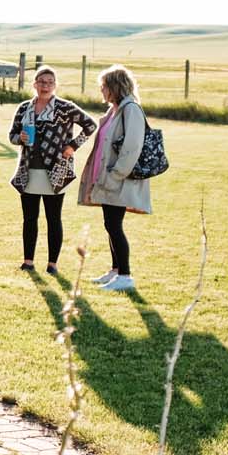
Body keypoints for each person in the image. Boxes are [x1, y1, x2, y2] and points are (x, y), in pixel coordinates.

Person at [7, 65, 96, 275]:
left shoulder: (65, 107)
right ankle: (28, 261)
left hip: (56, 170)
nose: (45, 86)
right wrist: (19, 138)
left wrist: (73, 146)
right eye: (41, 82)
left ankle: (52, 264)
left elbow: (90, 125)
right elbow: (12, 135)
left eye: (49, 82)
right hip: (28, 171)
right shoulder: (23, 108)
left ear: (55, 85)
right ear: (35, 84)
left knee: (53, 218)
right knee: (29, 219)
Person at [77, 64, 151, 292]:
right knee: (110, 223)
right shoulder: (115, 110)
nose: (101, 91)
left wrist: (115, 175)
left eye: (104, 86)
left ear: (115, 87)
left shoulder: (131, 110)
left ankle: (125, 276)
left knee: (114, 224)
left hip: (119, 178)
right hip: (108, 177)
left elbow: (132, 146)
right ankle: (116, 270)